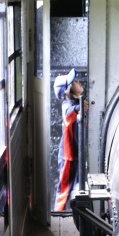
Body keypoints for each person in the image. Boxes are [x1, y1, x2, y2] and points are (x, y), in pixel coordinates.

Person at [53, 68, 88, 211]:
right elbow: (68, 113)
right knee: (63, 191)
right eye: (73, 82)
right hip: (68, 157)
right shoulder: (67, 106)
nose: (78, 82)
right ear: (68, 91)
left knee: (78, 189)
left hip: (76, 155)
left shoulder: (76, 104)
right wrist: (80, 108)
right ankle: (56, 217)